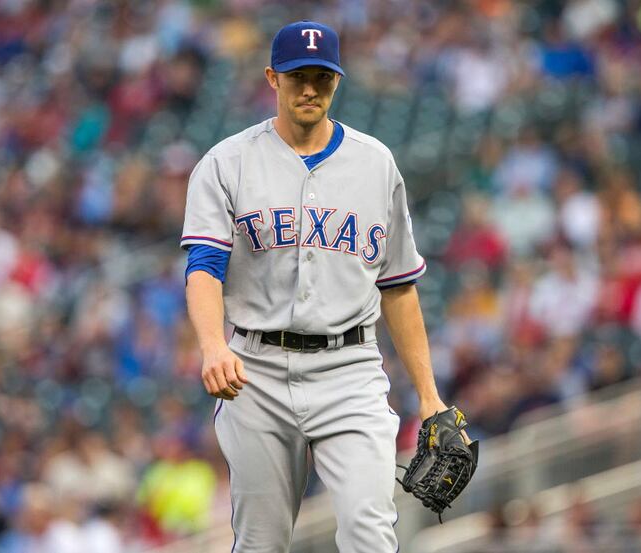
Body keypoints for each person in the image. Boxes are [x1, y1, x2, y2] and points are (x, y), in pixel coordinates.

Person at [182, 20, 453, 552]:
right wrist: (213, 346)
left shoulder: (375, 164)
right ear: (272, 79)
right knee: (261, 542)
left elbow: (398, 285)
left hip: (348, 370)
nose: (310, 89)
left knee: (369, 533)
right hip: (254, 371)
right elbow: (204, 268)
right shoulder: (226, 162)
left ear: (337, 81)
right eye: (297, 76)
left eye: (322, 78)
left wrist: (430, 397)